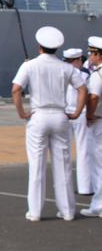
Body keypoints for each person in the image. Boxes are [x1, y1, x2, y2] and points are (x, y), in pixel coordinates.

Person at [11, 27, 87, 221]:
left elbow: (16, 89)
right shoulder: (66, 67)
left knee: (36, 166)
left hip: (38, 116)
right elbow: (82, 89)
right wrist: (77, 112)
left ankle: (35, 212)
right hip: (61, 116)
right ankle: (68, 211)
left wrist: (22, 113)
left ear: (39, 47)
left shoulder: (30, 66)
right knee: (63, 165)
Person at [63, 47, 95, 195]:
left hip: (64, 114)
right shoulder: (84, 74)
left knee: (64, 152)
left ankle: (65, 186)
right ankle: (85, 187)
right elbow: (88, 94)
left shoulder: (60, 73)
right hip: (80, 113)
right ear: (76, 60)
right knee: (83, 151)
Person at [81, 36, 102, 216]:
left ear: (98, 55)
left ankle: (98, 206)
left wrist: (88, 114)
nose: (90, 56)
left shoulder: (97, 75)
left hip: (99, 123)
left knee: (98, 166)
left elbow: (94, 97)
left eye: (91, 53)